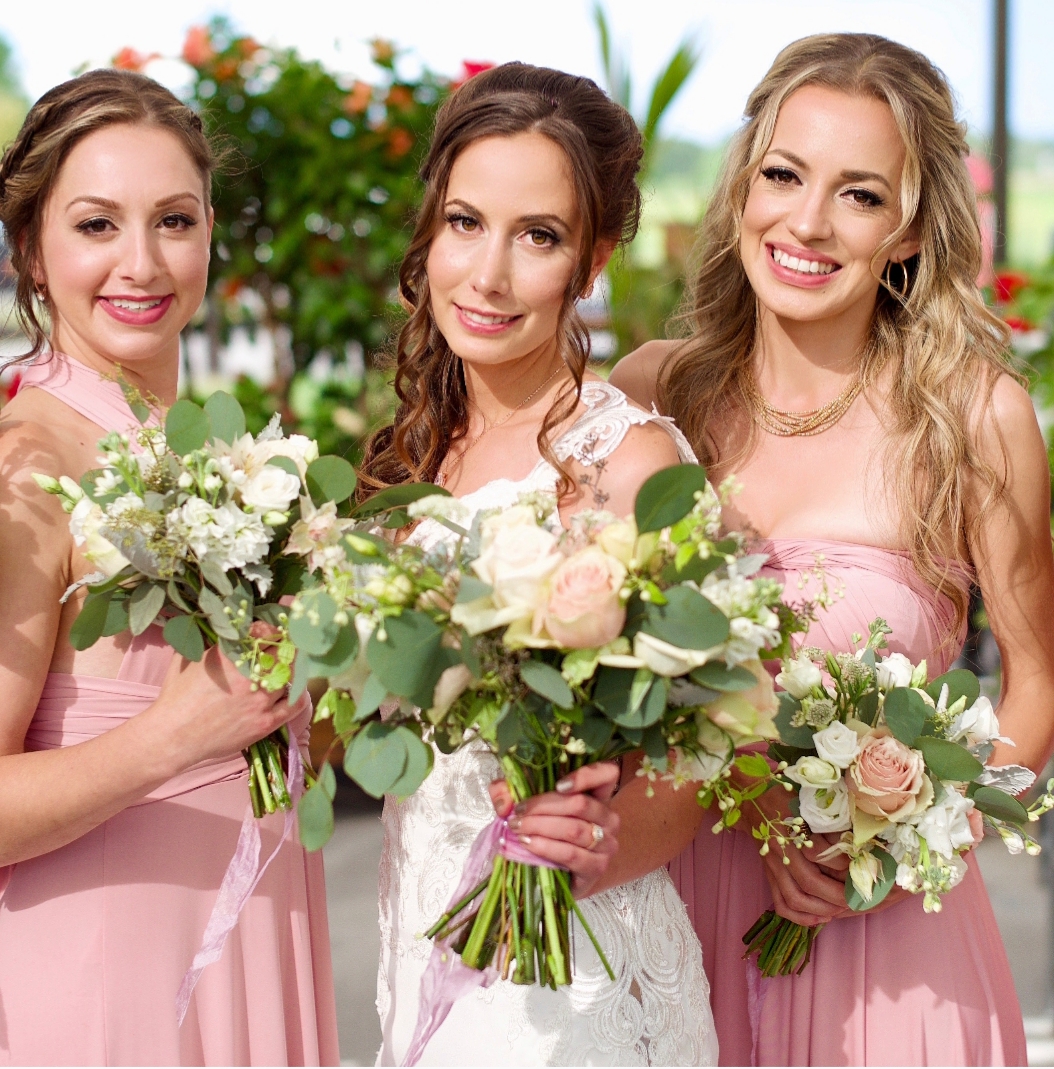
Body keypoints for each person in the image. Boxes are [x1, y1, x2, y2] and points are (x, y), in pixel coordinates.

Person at [609, 32, 1054, 1066]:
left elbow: (1038, 682)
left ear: (909, 231)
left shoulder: (972, 417)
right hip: (673, 924)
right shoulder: (651, 393)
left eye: (859, 195)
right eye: (783, 174)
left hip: (885, 951)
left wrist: (907, 841)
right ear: (742, 187)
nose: (807, 222)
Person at [357, 63, 718, 1066]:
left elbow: (702, 759)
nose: (487, 274)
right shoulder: (412, 456)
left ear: (591, 261)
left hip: (573, 972)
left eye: (538, 236)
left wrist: (592, 848)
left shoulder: (629, 465)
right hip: (424, 926)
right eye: (465, 222)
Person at [0, 70, 339, 1065]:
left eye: (174, 221)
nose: (141, 263)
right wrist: (170, 737)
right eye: (96, 225)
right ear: (31, 249)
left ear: (209, 234)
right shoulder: (28, 466)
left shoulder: (212, 453)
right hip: (113, 980)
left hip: (251, 932)